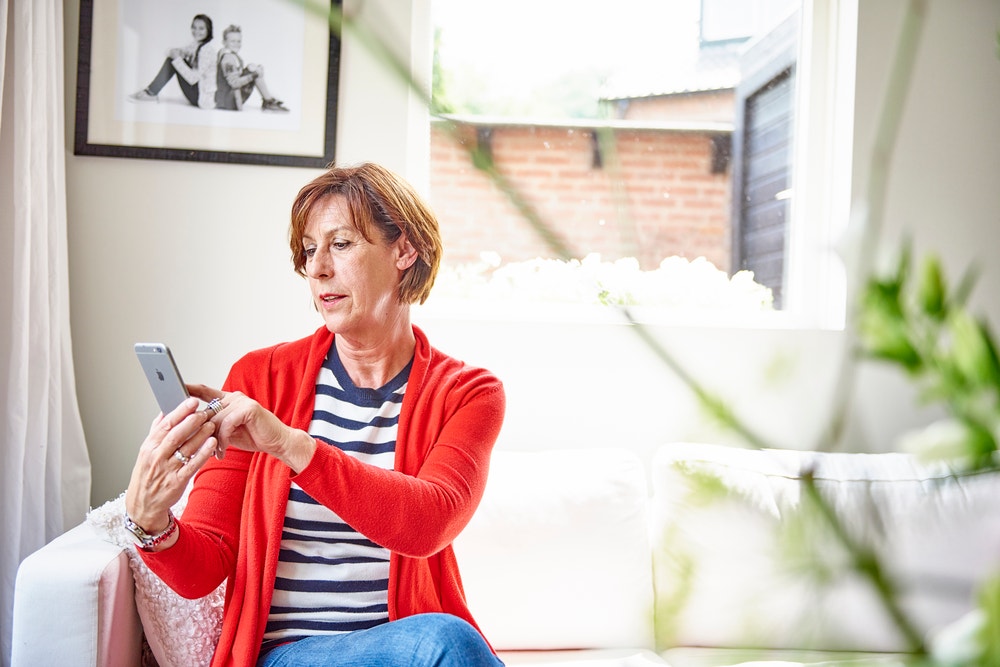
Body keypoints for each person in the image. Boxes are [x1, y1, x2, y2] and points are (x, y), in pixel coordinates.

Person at [122, 162, 506, 667]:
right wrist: (152, 522)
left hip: (409, 649)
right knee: (446, 644)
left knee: (443, 642)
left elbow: (427, 524)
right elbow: (202, 571)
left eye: (340, 244)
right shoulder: (260, 377)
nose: (318, 268)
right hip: (288, 655)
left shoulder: (468, 393)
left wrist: (290, 444)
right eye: (308, 250)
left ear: (405, 250)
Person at [129, 14, 217, 109]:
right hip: (197, 92)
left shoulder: (207, 50)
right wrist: (175, 52)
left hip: (202, 98)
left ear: (208, 30)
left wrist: (177, 59)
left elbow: (193, 79)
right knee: (173, 59)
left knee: (173, 61)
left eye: (201, 28)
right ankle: (150, 91)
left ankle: (151, 92)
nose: (196, 31)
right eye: (194, 27)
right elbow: (171, 52)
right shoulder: (196, 44)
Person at [215, 24, 290, 113]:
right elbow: (234, 83)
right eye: (233, 41)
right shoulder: (228, 58)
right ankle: (268, 101)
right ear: (224, 42)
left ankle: (268, 99)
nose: (236, 44)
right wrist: (254, 75)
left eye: (239, 41)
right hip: (228, 102)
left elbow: (237, 74)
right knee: (254, 72)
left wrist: (249, 69)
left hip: (228, 98)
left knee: (253, 68)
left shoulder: (231, 55)